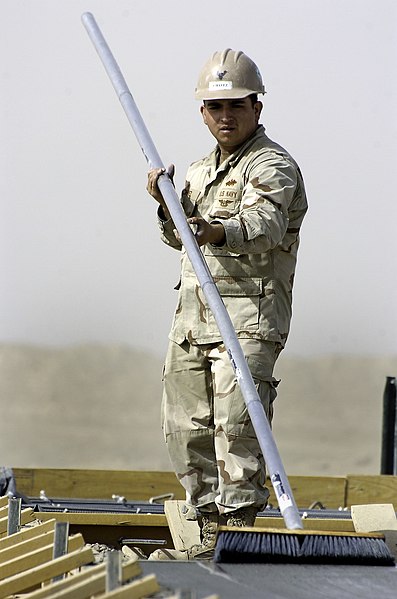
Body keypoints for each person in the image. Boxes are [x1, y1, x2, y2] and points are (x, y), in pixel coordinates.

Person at [147, 48, 308, 559]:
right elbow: (181, 239)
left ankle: (232, 541)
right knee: (185, 431)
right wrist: (167, 204)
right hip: (193, 322)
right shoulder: (198, 172)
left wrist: (216, 229)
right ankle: (202, 536)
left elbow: (264, 227)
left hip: (247, 321)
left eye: (236, 105)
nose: (226, 116)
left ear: (256, 107)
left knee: (236, 433)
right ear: (203, 113)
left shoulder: (273, 165)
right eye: (215, 107)